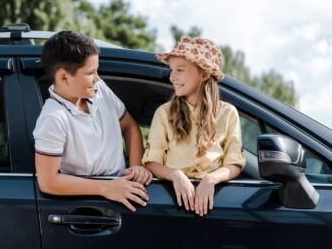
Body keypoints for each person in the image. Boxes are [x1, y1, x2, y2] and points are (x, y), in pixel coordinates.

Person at [33, 30, 153, 212]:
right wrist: (107, 188)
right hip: (88, 207)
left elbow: (129, 126)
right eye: (91, 72)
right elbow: (48, 182)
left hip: (121, 191)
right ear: (63, 77)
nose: (97, 78)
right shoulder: (53, 118)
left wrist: (136, 166)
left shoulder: (100, 89)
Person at [142, 36, 245, 216]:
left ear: (204, 74)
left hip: (216, 205)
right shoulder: (164, 113)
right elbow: (152, 162)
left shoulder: (228, 113)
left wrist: (211, 179)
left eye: (179, 70)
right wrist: (175, 175)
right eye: (171, 70)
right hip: (170, 203)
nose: (172, 77)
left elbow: (234, 163)